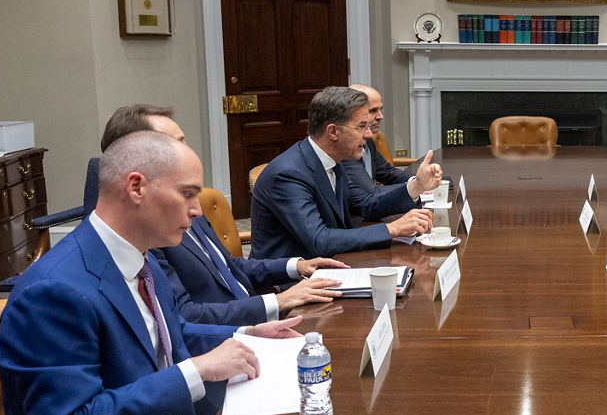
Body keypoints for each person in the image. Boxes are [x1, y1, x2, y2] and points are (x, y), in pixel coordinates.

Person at [0, 131, 302, 415]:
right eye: (187, 194)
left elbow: (169, 335)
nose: (197, 210)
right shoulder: (54, 291)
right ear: (136, 187)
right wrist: (195, 371)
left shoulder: (142, 260)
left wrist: (244, 335)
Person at [100, 103, 347, 326]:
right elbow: (185, 316)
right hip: (229, 333)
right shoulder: (142, 231)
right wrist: (278, 302)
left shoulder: (185, 206)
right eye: (174, 144)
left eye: (183, 141)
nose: (187, 150)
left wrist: (297, 265)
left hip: (256, 316)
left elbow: (227, 267)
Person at [250, 86, 438, 259]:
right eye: (361, 126)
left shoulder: (333, 160)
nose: (369, 134)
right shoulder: (288, 174)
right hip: (290, 282)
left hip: (332, 263)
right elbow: (319, 240)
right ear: (333, 132)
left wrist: (416, 186)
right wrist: (392, 229)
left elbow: (365, 204)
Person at [345, 83, 412, 188]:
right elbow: (365, 195)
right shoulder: (345, 148)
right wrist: (412, 189)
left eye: (380, 110)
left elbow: (386, 172)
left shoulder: (369, 140)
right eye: (373, 111)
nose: (380, 116)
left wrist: (416, 181)